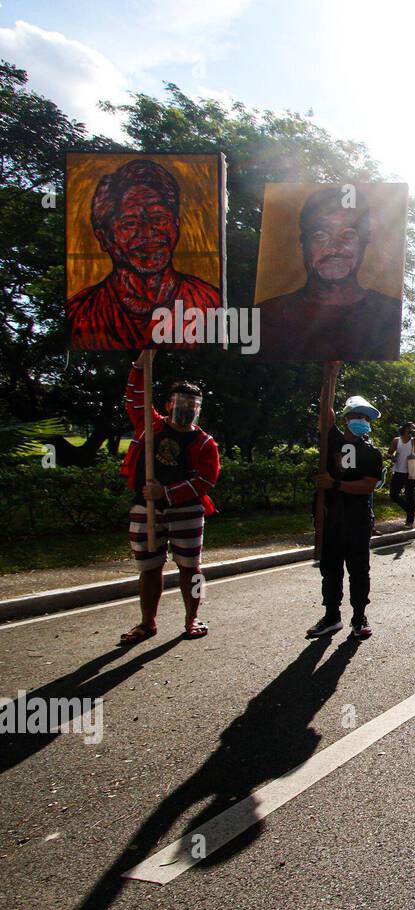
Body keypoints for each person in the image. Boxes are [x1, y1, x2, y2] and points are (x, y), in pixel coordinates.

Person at [118, 347, 220, 644]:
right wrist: (142, 361)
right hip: (145, 507)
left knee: (192, 568)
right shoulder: (149, 425)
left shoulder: (205, 443)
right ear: (168, 404)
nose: (186, 409)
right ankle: (147, 622)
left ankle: (193, 617)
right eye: (181, 403)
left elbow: (205, 480)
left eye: (193, 405)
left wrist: (167, 492)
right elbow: (133, 397)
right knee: (149, 568)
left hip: (186, 511)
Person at [69, 159, 222, 351]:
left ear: (176, 225)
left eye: (159, 219)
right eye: (130, 223)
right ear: (104, 238)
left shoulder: (210, 304)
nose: (148, 233)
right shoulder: (80, 314)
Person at [256, 186, 403, 361]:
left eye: (348, 235)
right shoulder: (267, 316)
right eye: (320, 235)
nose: (334, 248)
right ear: (303, 242)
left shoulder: (392, 317)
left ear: (365, 240)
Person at [308, 374, 385, 641]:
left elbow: (367, 486)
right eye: (357, 416)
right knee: (330, 569)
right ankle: (331, 616)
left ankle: (359, 616)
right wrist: (329, 375)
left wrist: (334, 483)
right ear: (345, 419)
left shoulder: (372, 454)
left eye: (366, 418)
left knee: (359, 569)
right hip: (331, 518)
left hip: (358, 520)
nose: (362, 422)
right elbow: (324, 410)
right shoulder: (332, 440)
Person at [388, 422, 415, 527]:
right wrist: (391, 457)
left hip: (411, 471)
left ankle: (409, 521)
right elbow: (389, 453)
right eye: (410, 428)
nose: (412, 430)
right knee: (393, 494)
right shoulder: (396, 440)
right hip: (398, 471)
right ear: (405, 428)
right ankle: (410, 509)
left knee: (409, 495)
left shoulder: (413, 441)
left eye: (414, 428)